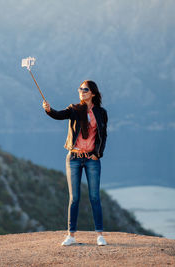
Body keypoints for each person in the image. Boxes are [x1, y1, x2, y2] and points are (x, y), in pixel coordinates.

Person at [42, 80, 108, 246]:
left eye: (85, 89)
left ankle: (100, 235)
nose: (82, 91)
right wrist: (49, 110)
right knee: (74, 198)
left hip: (92, 159)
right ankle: (71, 235)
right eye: (80, 89)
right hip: (74, 158)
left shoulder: (101, 112)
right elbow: (59, 115)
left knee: (94, 197)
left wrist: (97, 154)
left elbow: (103, 135)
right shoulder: (74, 109)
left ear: (92, 93)